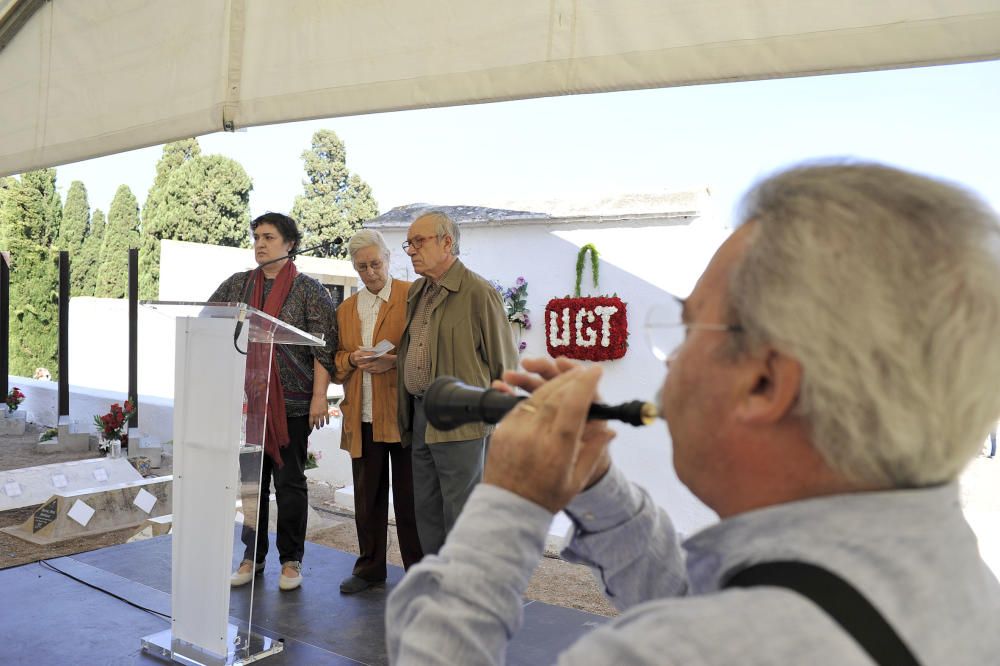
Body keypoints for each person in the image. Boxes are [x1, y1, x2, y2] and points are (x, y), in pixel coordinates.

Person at [386, 162, 1000, 664]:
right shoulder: (949, 578)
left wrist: (509, 504)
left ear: (764, 382)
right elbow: (700, 597)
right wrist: (597, 486)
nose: (674, 360)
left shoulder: (682, 652)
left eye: (688, 326)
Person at [210, 212, 337, 592]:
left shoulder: (309, 290)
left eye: (268, 237)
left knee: (290, 483)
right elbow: (208, 320)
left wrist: (319, 398)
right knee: (251, 485)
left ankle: (291, 561)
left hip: (293, 407)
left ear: (290, 244)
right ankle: (252, 556)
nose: (260, 244)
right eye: (256, 237)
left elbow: (324, 351)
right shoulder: (238, 285)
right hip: (250, 404)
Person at [397, 210, 518, 555]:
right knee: (428, 511)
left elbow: (505, 367)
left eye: (419, 242)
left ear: (447, 242)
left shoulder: (479, 293)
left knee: (463, 516)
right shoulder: (417, 292)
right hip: (421, 416)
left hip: (463, 423)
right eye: (409, 244)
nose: (411, 250)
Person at [333, 230, 423, 595]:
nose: (370, 272)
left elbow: (425, 350)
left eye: (375, 264)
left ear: (388, 260)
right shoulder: (344, 310)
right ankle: (370, 567)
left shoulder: (412, 295)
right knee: (367, 498)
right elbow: (336, 362)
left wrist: (392, 362)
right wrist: (352, 358)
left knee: (410, 500)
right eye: (361, 267)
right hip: (362, 416)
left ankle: (418, 572)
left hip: (402, 416)